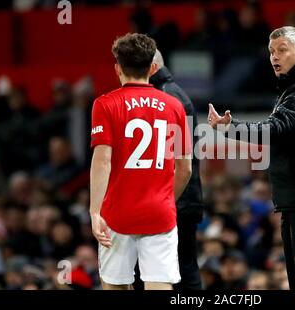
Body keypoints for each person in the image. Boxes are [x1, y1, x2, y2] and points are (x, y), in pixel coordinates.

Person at [208, 26, 295, 290]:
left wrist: (230, 127)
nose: (274, 57)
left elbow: (276, 129)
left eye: (282, 50)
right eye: (271, 51)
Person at [89, 33, 192, 290]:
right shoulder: (174, 106)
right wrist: (167, 199)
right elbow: (185, 168)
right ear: (153, 67)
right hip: (159, 213)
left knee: (115, 285)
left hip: (117, 213)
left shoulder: (105, 104)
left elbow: (102, 161)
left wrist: (94, 212)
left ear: (117, 68)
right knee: (159, 285)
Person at [150, 49, 204, 290]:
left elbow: (176, 161)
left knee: (181, 271)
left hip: (176, 198)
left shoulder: (166, 97)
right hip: (179, 198)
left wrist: (165, 202)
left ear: (151, 67)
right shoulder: (168, 93)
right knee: (181, 269)